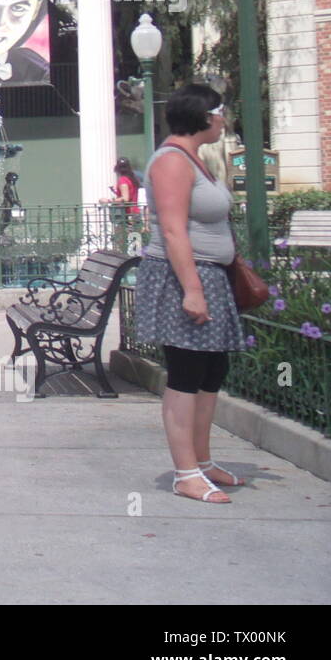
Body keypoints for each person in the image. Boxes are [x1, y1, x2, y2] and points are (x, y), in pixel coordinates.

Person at [135, 84, 248, 503]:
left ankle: (202, 462)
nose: (223, 120)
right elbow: (171, 229)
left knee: (210, 372)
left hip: (208, 277)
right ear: (203, 116)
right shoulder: (170, 162)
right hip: (182, 277)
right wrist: (193, 290)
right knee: (185, 375)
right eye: (220, 113)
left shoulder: (193, 159)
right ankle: (186, 473)